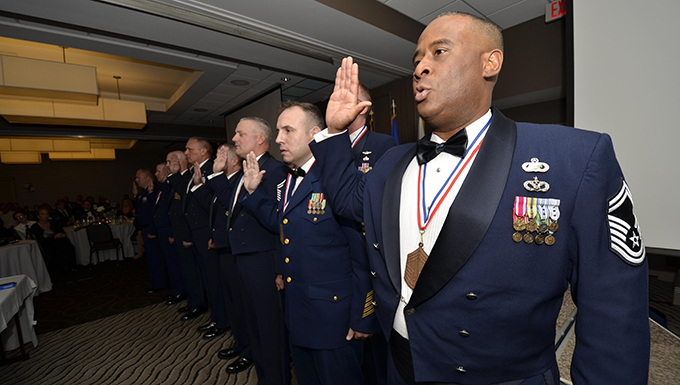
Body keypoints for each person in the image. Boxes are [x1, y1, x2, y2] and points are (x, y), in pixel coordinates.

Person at [310, 12, 650, 385]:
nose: (421, 67)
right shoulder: (393, 160)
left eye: (438, 52)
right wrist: (334, 132)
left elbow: (613, 313)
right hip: (400, 368)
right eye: (417, 59)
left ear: (491, 63)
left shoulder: (573, 157)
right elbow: (346, 201)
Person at [241, 102, 378, 385]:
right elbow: (285, 224)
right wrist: (253, 192)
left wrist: (365, 316)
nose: (278, 139)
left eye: (288, 130)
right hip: (299, 313)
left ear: (314, 134)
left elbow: (362, 253)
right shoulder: (289, 177)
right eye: (278, 131)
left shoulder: (337, 178)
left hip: (335, 321)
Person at [206, 117, 289, 381]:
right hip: (243, 258)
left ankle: (276, 378)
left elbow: (281, 223)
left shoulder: (275, 170)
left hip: (264, 260)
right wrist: (218, 173)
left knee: (269, 328)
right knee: (253, 323)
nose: (234, 139)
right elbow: (230, 206)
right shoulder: (244, 171)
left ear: (260, 139)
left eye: (241, 134)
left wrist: (280, 268)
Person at [172, 137, 229, 340]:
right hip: (198, 234)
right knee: (206, 278)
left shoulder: (212, 171)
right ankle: (215, 317)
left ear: (204, 151)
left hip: (207, 235)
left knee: (214, 280)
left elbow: (215, 208)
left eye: (190, 149)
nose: (186, 153)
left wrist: (212, 235)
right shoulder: (194, 172)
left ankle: (221, 320)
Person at [206, 144, 254, 370]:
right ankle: (241, 342)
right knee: (232, 301)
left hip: (237, 250)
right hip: (225, 248)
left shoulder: (238, 181)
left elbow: (233, 211)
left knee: (242, 303)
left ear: (234, 161)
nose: (218, 159)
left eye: (222, 156)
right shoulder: (226, 182)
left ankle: (249, 349)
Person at [165, 150, 208, 322]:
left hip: (191, 234)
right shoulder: (181, 179)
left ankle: (198, 302)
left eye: (171, 161)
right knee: (188, 271)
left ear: (180, 161)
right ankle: (193, 301)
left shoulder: (190, 177)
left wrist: (187, 235)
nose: (169, 165)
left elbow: (189, 208)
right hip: (185, 233)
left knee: (194, 272)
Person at [153, 162, 187, 306]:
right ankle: (175, 289)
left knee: (174, 262)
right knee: (169, 262)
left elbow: (175, 213)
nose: (156, 174)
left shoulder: (169, 188)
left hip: (170, 230)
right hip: (164, 230)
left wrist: (172, 232)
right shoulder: (160, 190)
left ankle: (179, 290)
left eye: (158, 171)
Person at [134, 168, 166, 294]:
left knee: (155, 259)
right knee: (151, 259)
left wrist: (152, 230)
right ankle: (156, 282)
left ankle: (158, 284)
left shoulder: (155, 190)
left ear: (147, 178)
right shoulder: (144, 192)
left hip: (151, 229)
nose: (136, 180)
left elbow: (154, 212)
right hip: (145, 229)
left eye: (138, 178)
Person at [30, 207, 77, 274]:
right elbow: (41, 240)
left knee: (66, 243)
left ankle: (70, 266)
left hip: (60, 242)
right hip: (47, 244)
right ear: (38, 216)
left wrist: (62, 235)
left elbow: (62, 231)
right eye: (43, 214)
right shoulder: (35, 227)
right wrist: (54, 237)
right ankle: (63, 267)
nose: (45, 216)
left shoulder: (54, 222)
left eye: (47, 214)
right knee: (60, 246)